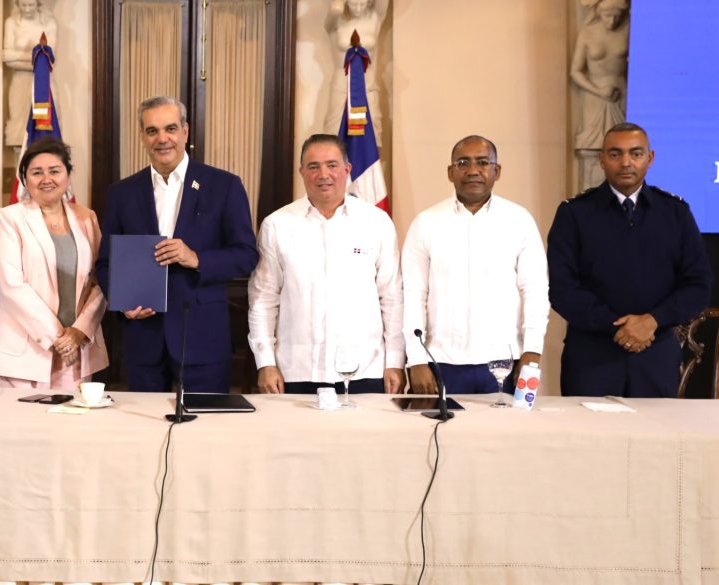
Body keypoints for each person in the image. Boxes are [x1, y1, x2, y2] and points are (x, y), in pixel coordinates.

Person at [96, 96, 258, 393]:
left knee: (205, 422)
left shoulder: (224, 185)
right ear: (142, 136)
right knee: (143, 422)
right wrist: (123, 303)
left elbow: (246, 255)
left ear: (185, 131)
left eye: (170, 128)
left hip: (202, 336)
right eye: (152, 131)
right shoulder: (122, 193)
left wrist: (196, 258)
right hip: (144, 339)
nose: (162, 139)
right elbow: (106, 263)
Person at [547, 122, 712, 398]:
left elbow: (698, 285)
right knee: (589, 428)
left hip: (655, 356)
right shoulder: (574, 214)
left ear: (650, 158)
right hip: (591, 358)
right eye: (615, 154)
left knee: (657, 428)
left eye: (635, 153)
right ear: (602, 159)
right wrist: (618, 327)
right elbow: (562, 288)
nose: (625, 162)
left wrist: (652, 321)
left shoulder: (676, 213)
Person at [249, 134, 405, 394]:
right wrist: (265, 362)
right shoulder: (277, 225)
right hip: (295, 372)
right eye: (313, 166)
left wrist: (395, 362)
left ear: (347, 169)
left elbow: (392, 298)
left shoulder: (377, 222)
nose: (323, 174)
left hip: (366, 370)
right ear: (302, 172)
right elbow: (263, 299)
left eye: (332, 165)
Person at [401, 135, 549, 394]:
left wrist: (533, 350)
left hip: (505, 363)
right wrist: (416, 360)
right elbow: (413, 296)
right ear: (450, 172)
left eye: (482, 162)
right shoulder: (426, 223)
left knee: (506, 423)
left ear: (497, 171)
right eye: (463, 163)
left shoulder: (519, 221)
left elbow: (534, 290)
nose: (472, 171)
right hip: (441, 363)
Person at [0, 138, 108, 388]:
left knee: (72, 413)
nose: (46, 179)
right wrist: (58, 337)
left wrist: (80, 330)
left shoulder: (87, 218)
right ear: (25, 179)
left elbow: (101, 279)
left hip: (77, 349)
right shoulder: (10, 218)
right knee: (22, 415)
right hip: (26, 350)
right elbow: (11, 286)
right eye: (36, 172)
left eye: (54, 171)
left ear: (68, 176)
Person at [570, 0, 630, 190]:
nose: (612, 21)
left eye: (617, 16)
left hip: (621, 96)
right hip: (594, 98)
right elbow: (576, 71)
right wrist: (599, 90)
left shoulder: (628, 32)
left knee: (625, 143)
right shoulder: (588, 33)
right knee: (592, 146)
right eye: (607, 15)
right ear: (599, 13)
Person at [324, 0, 388, 135]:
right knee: (334, 124)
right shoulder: (337, 17)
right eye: (354, 4)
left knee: (373, 122)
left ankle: (371, 150)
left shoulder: (375, 18)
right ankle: (333, 150)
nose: (358, 9)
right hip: (341, 80)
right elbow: (335, 9)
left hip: (367, 81)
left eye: (362, 4)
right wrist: (339, 5)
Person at [2, 0, 58, 150]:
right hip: (20, 81)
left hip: (43, 83)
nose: (26, 9)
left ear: (38, 3)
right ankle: (20, 163)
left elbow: (49, 60)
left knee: (42, 129)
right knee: (18, 131)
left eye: (30, 5)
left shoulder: (49, 24)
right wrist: (36, 56)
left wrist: (16, 56)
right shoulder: (11, 23)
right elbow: (8, 60)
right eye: (23, 5)